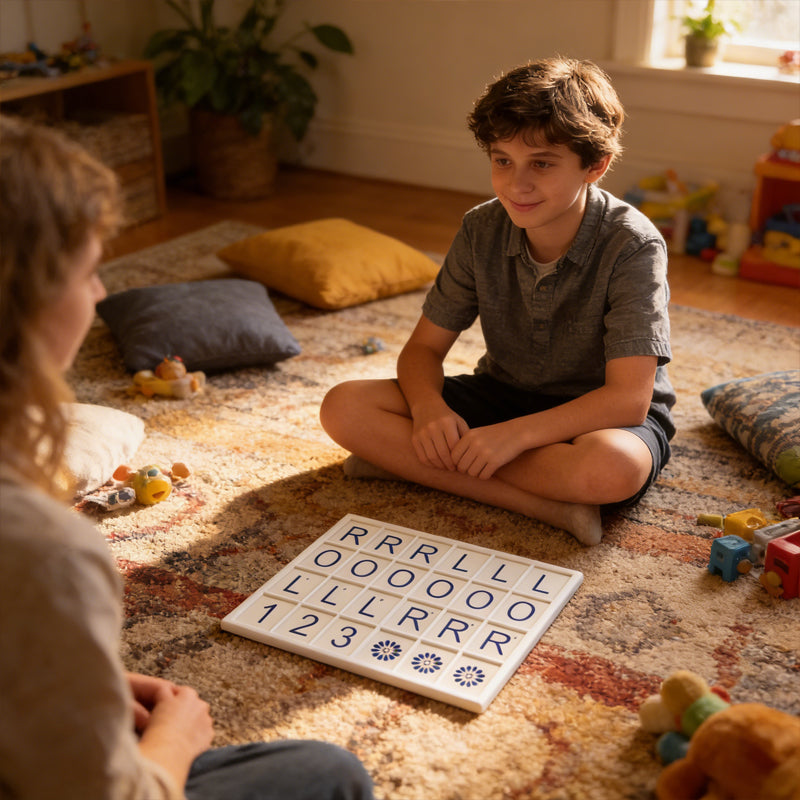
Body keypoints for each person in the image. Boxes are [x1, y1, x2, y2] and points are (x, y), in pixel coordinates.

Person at [0, 116, 374, 800]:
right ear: (25, 301)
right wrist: (177, 738)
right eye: (88, 273)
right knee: (329, 774)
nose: (102, 296)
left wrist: (80, 687)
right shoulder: (42, 549)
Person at [320, 58, 675, 547]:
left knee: (610, 469)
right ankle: (542, 505)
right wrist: (427, 411)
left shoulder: (633, 245)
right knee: (343, 407)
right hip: (503, 394)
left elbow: (628, 399)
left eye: (542, 164)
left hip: (599, 418)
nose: (516, 184)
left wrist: (513, 437)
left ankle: (414, 466)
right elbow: (422, 351)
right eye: (502, 160)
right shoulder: (480, 228)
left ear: (595, 165)